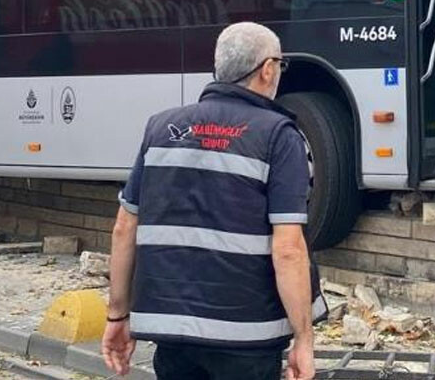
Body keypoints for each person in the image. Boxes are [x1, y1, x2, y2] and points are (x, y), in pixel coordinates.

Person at [101, 22, 324, 380]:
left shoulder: (160, 128)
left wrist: (117, 315)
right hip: (247, 337)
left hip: (172, 335)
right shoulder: (278, 136)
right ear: (267, 69)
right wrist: (304, 339)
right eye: (280, 65)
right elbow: (288, 251)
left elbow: (124, 227)